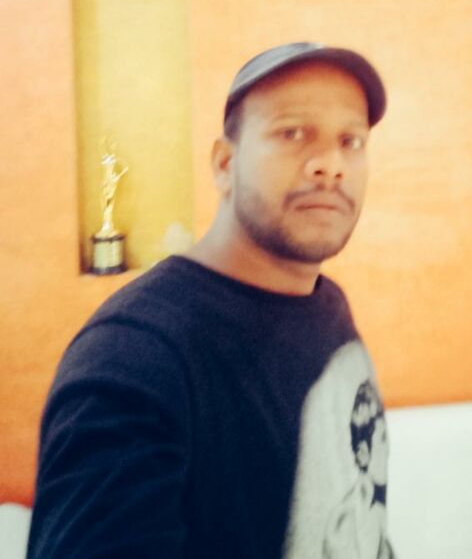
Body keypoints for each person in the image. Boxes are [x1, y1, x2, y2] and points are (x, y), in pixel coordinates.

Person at [27, 41, 393, 559]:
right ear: (224, 163)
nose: (331, 164)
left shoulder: (324, 304)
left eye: (350, 141)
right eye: (293, 133)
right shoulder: (132, 363)